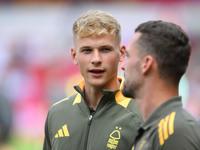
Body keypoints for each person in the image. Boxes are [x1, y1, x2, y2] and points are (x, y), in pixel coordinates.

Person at [43, 10, 142, 150]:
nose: (96, 59)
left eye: (105, 49)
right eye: (87, 50)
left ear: (121, 54)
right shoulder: (56, 114)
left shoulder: (142, 116)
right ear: (74, 55)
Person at [122, 20, 200, 150]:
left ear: (146, 64)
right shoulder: (154, 129)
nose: (123, 66)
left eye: (128, 56)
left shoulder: (175, 131)